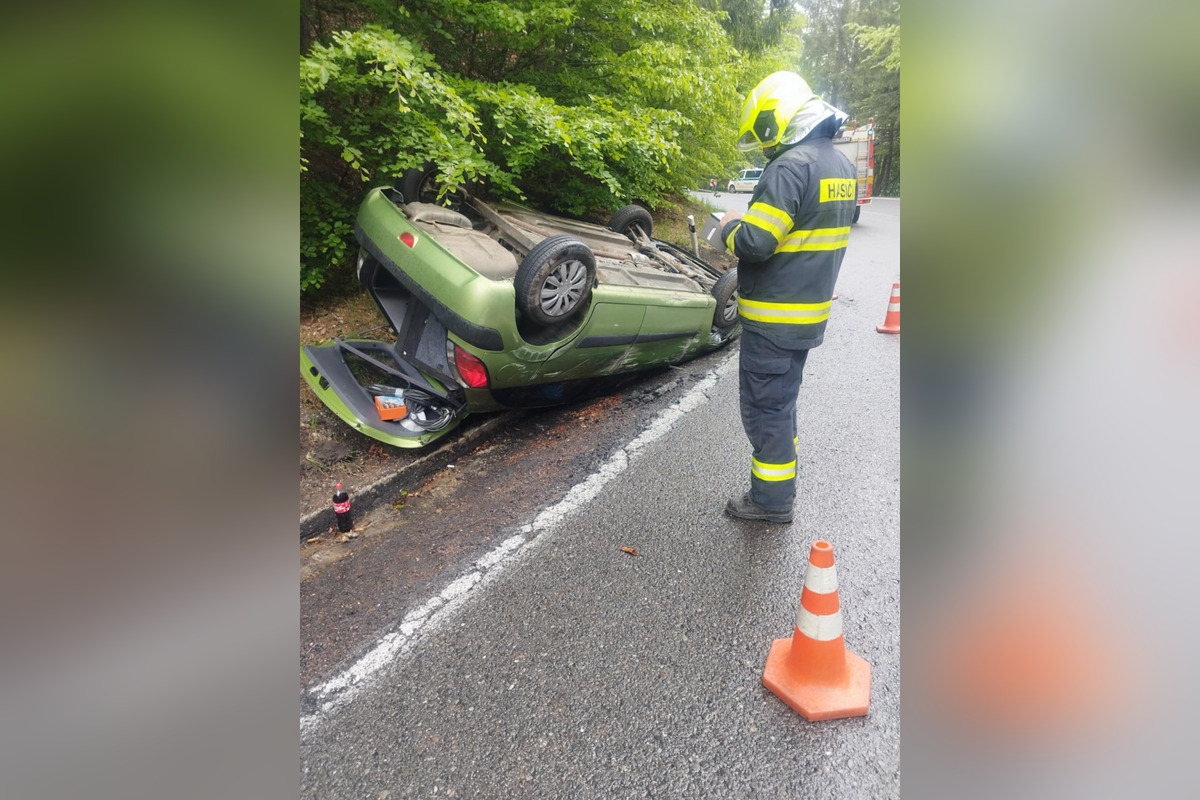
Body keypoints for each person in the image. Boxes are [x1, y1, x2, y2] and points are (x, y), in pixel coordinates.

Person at [718, 71, 857, 523]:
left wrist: (728, 226)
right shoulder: (840, 165)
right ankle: (781, 481)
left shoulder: (789, 168)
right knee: (782, 403)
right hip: (806, 317)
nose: (764, 144)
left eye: (764, 130)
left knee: (766, 410)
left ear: (780, 117)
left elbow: (756, 241)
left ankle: (770, 501)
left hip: (774, 320)